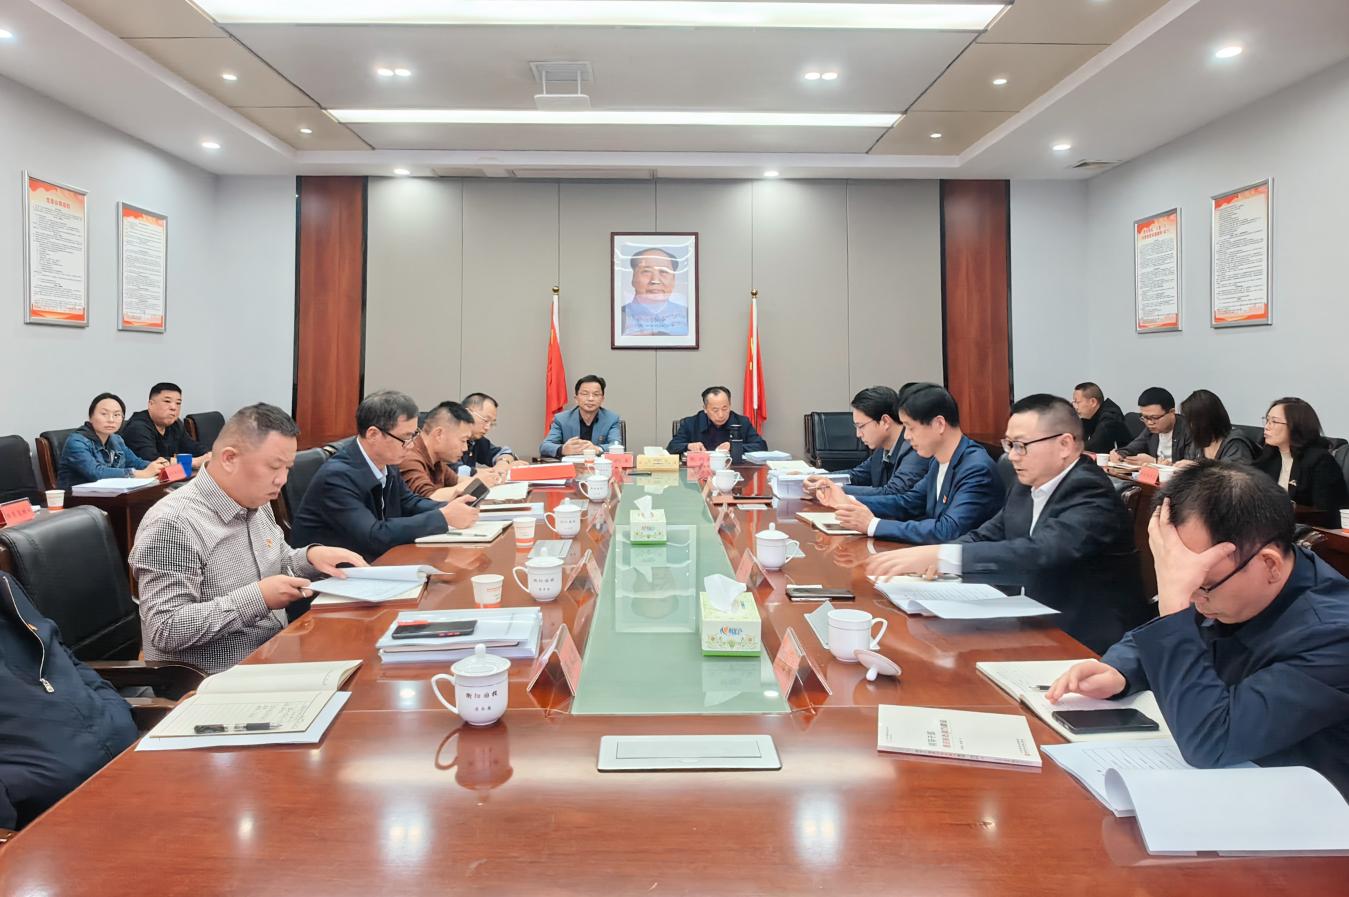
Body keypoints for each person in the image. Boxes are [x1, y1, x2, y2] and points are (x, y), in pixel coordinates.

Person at [1047, 461, 1349, 796]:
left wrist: (1174, 602)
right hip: (1233, 785)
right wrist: (1120, 670)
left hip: (1306, 808)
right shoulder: (1228, 584)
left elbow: (1211, 740)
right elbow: (1167, 633)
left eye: (1200, 585)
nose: (1193, 600)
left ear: (1269, 564)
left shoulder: (1335, 635)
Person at [866, 394, 1146, 652]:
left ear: (1064, 444)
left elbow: (1041, 552)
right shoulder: (1026, 484)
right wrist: (934, 559)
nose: (1012, 456)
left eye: (1022, 446)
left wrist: (943, 556)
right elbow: (990, 533)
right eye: (1009, 445)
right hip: (1030, 622)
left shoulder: (1090, 491)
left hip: (1087, 643)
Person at [130, 404, 367, 674]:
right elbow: (166, 628)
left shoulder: (254, 500)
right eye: (274, 467)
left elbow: (278, 562)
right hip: (214, 679)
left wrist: (311, 558)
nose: (282, 480)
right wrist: (259, 598)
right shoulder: (173, 523)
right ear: (230, 459)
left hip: (275, 653)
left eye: (287, 468)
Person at [0, 572, 138, 830]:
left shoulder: (5, 585)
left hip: (127, 759)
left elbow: (60, 652)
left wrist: (115, 710)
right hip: (50, 819)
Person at [289, 390, 480, 564]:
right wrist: (442, 517)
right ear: (373, 434)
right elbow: (373, 535)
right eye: (405, 438)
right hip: (328, 577)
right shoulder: (337, 477)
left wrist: (448, 508)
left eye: (414, 435)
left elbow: (408, 502)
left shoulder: (387, 462)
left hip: (372, 562)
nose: (411, 445)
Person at [814, 386, 1001, 543]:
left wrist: (873, 525)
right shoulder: (939, 460)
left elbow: (948, 530)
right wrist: (847, 500)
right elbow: (908, 502)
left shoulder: (976, 468)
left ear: (939, 424)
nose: (906, 436)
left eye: (911, 428)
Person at [804, 383, 931, 500]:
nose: (858, 434)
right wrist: (814, 478)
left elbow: (893, 492)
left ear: (885, 422)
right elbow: (856, 475)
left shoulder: (915, 449)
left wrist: (835, 489)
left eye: (861, 426)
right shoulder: (882, 449)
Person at [1253, 397, 1349, 511]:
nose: (1266, 427)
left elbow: (1325, 511)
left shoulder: (1320, 461)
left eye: (1274, 422)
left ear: (1296, 426)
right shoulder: (1269, 455)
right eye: (1267, 420)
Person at [57, 392, 169, 489]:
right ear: (90, 417)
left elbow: (135, 462)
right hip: (76, 500)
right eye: (104, 414)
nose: (111, 420)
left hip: (110, 495)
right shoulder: (77, 441)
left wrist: (157, 466)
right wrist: (138, 474)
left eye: (117, 415)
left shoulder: (116, 440)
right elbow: (96, 473)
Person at [120, 381, 211, 469]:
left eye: (178, 403)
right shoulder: (137, 427)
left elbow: (193, 447)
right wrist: (194, 462)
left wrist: (209, 455)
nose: (174, 407)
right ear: (151, 404)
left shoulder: (175, 423)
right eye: (167, 401)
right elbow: (152, 460)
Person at [399, 400, 478, 500]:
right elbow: (429, 499)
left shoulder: (436, 459)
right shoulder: (409, 457)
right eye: (463, 440)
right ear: (439, 434)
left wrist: (481, 480)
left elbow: (457, 480)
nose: (465, 448)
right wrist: (478, 481)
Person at [540, 375, 624, 458]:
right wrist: (562, 449)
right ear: (576, 398)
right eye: (585, 394)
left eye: (596, 394)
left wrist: (597, 449)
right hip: (571, 465)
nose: (590, 399)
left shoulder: (611, 419)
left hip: (599, 465)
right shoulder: (561, 419)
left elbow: (616, 445)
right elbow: (545, 446)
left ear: (602, 399)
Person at [668, 386, 768, 454]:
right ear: (705, 409)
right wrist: (688, 446)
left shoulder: (742, 422)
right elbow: (671, 447)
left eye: (725, 408)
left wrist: (734, 447)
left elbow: (761, 446)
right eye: (715, 410)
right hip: (700, 472)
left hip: (733, 471)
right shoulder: (690, 423)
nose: (721, 415)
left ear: (730, 405)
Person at [1111, 386, 1191, 465]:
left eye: (1154, 417)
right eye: (1145, 417)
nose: (1149, 422)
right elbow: (1133, 448)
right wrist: (1119, 454)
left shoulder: (1189, 429)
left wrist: (1154, 462)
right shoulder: (1151, 429)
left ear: (1172, 412)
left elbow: (1192, 467)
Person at [1175, 389, 1256, 465]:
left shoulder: (1235, 443)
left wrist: (1195, 467)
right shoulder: (1198, 441)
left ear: (1205, 421)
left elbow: (1233, 473)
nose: (1190, 426)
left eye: (1192, 421)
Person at [620, 247, 689, 336]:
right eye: (646, 271)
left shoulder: (688, 316)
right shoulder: (619, 316)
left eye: (664, 271)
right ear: (633, 278)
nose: (655, 280)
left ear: (673, 280)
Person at [461, 393, 520, 473]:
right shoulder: (449, 437)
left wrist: (503, 462)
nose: (487, 428)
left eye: (492, 423)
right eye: (485, 420)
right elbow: (455, 472)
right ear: (467, 414)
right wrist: (494, 471)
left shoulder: (475, 439)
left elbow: (503, 452)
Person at [1072, 382, 1131, 454]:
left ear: (1093, 402)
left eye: (1077, 402)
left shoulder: (1110, 416)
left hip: (1124, 458)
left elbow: (1095, 445)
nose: (1075, 407)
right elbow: (1078, 438)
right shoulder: (1089, 415)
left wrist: (1070, 448)